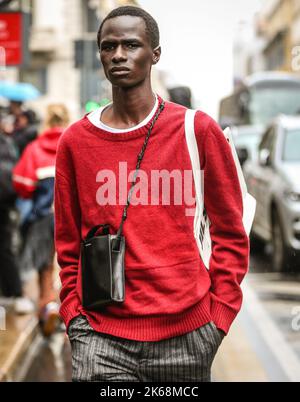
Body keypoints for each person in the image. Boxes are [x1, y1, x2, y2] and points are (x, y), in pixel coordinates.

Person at [54, 6, 249, 382]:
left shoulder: (197, 130)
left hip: (187, 337)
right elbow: (67, 242)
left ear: (154, 54)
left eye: (131, 45)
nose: (119, 55)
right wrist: (74, 317)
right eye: (109, 46)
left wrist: (218, 318)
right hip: (100, 337)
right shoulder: (75, 142)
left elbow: (231, 232)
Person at [13, 104, 70, 336]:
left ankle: (47, 306)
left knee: (45, 267)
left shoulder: (35, 148)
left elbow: (23, 185)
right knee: (70, 267)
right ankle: (65, 309)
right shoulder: (73, 143)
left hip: (43, 218)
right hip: (70, 218)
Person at [0, 130, 35, 314]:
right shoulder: (6, 141)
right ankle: (15, 294)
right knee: (6, 249)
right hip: (6, 205)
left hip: (4, 205)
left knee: (6, 250)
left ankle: (14, 293)